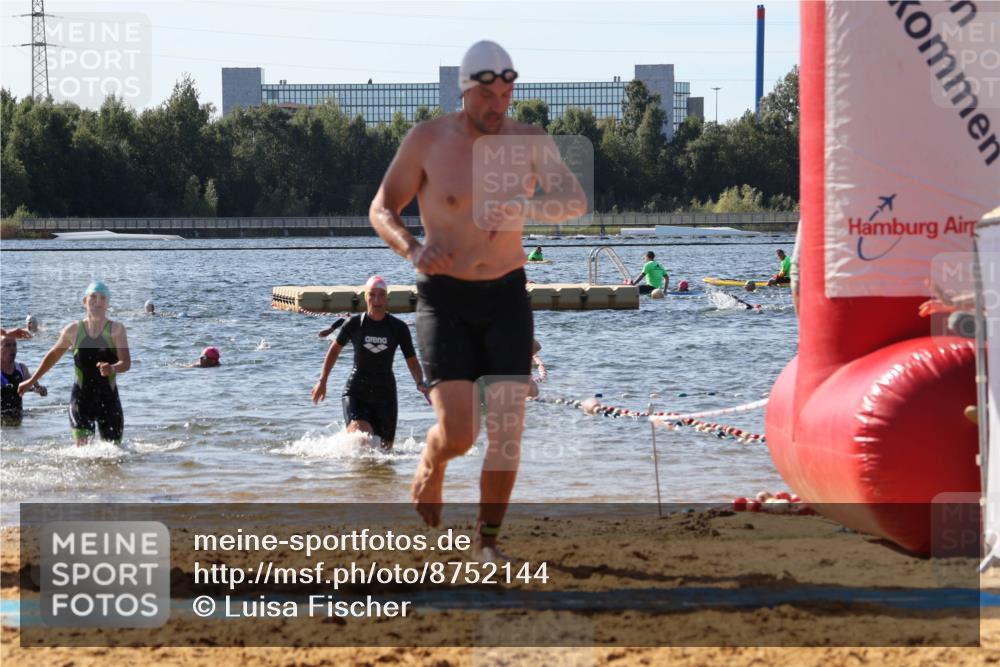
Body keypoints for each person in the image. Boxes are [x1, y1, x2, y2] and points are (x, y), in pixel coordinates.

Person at [367, 39, 586, 551]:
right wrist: (413, 249)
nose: (498, 107)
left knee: (507, 433)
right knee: (461, 433)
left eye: (507, 94)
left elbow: (573, 201)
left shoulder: (530, 140)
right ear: (466, 90)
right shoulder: (428, 140)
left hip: (507, 295)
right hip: (444, 297)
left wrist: (526, 205)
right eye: (488, 96)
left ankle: (487, 542)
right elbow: (381, 209)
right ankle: (433, 460)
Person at [311, 275, 428, 450]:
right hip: (357, 391)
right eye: (372, 295)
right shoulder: (354, 324)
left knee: (384, 454)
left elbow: (412, 361)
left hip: (386, 395)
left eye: (381, 295)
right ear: (366, 297)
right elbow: (334, 350)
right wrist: (322, 380)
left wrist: (420, 382)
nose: (377, 300)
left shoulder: (399, 328)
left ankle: (371, 478)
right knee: (363, 440)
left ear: (387, 299)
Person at [18, 281, 131, 445]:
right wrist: (31, 380)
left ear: (108, 304)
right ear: (84, 301)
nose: (97, 301)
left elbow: (126, 363)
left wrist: (112, 368)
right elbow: (53, 356)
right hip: (80, 401)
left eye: (102, 298)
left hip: (109, 401)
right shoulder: (73, 330)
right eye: (93, 297)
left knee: (114, 455)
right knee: (83, 456)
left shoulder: (116, 329)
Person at [1, 335, 47, 426]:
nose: (12, 348)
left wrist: (40, 390)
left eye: (14, 345)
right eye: (8, 345)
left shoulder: (22, 369)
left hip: (18, 417)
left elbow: (37, 388)